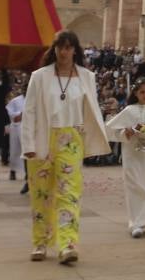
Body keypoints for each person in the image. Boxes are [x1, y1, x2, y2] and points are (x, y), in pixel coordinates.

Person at [20, 31, 112, 264]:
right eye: (60, 47)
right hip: (44, 139)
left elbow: (90, 111)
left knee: (69, 193)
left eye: (69, 47)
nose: (64, 52)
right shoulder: (39, 77)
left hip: (72, 139)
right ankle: (40, 242)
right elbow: (29, 111)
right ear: (54, 49)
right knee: (41, 193)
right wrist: (28, 144)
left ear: (75, 51)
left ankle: (67, 244)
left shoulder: (86, 77)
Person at [110, 78, 145, 236]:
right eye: (142, 92)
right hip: (132, 153)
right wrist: (125, 132)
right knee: (134, 185)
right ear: (135, 93)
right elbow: (112, 129)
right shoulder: (129, 111)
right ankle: (136, 222)